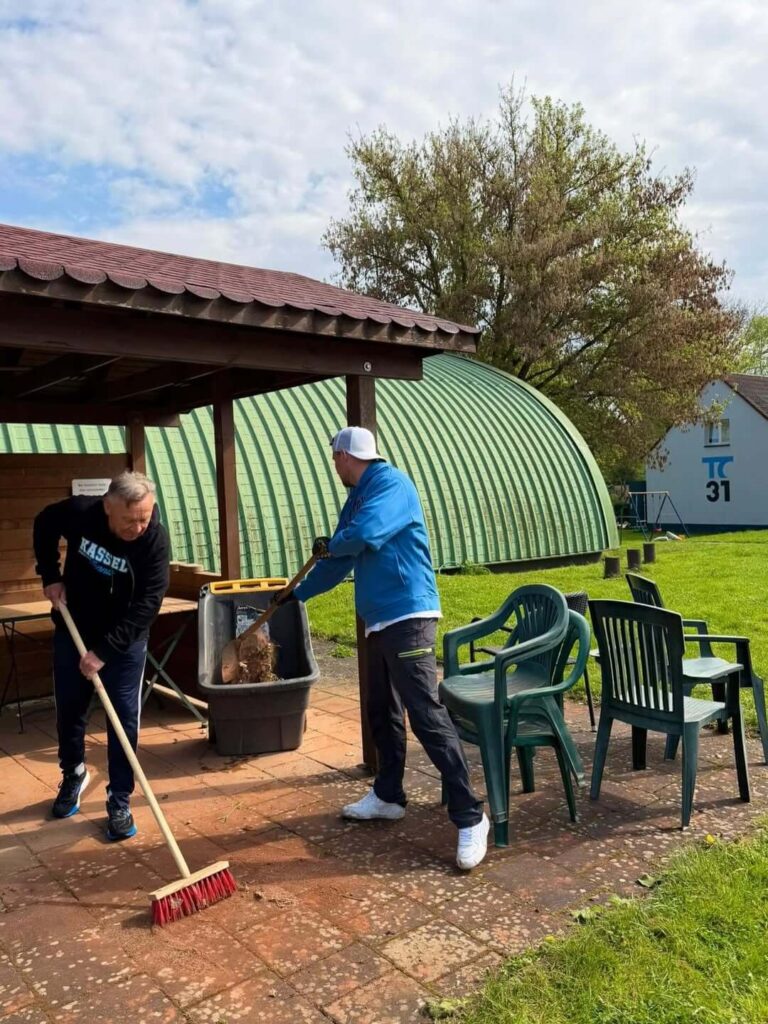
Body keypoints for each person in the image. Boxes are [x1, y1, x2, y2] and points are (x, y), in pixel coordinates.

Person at [287, 426, 489, 870]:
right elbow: (337, 560)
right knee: (382, 709)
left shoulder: (392, 485)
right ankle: (388, 795)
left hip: (409, 615)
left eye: (334, 458)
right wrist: (296, 595)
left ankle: (471, 816)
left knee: (425, 714)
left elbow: (364, 535)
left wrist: (332, 543)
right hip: (378, 619)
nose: (334, 466)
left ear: (345, 455)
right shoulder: (357, 497)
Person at [33, 471, 170, 841]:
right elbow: (44, 523)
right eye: (129, 520)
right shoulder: (82, 512)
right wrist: (50, 575)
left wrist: (105, 651)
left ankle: (119, 798)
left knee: (123, 719)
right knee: (70, 708)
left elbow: (148, 604)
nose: (138, 528)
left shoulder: (154, 540)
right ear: (108, 507)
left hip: (124, 640)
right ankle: (74, 773)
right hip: (75, 627)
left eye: (144, 518)